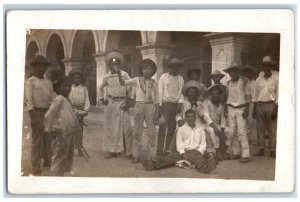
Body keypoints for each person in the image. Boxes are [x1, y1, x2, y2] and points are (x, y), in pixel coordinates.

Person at [141, 109, 216, 174]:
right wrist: (183, 153)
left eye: (192, 116)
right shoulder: (181, 128)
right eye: (189, 117)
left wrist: (199, 152)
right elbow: (179, 143)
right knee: (170, 158)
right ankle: (152, 165)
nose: (191, 118)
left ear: (195, 117)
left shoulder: (200, 129)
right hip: (183, 152)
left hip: (195, 152)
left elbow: (203, 144)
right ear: (186, 118)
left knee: (200, 160)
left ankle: (205, 169)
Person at [116, 59, 159, 163]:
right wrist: (118, 73)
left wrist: (157, 111)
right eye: (145, 68)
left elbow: (157, 98)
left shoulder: (154, 82)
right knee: (137, 131)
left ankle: (152, 156)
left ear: (152, 71)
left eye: (149, 69)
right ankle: (136, 155)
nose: (147, 71)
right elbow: (123, 83)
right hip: (139, 105)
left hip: (150, 106)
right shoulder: (136, 80)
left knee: (152, 132)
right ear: (141, 70)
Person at [166, 81, 216, 156]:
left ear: (196, 94)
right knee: (178, 131)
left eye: (194, 92)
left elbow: (203, 114)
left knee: (205, 131)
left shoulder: (199, 103)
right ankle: (171, 151)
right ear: (187, 93)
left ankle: (210, 152)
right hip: (185, 121)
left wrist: (197, 107)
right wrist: (179, 120)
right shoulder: (183, 103)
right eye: (190, 92)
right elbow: (178, 114)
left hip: (197, 122)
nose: (192, 93)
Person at [98, 51, 133, 158]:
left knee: (127, 128)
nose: (114, 66)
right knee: (111, 128)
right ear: (109, 65)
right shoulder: (107, 77)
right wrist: (102, 99)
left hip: (122, 103)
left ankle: (130, 152)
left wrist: (128, 101)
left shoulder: (124, 75)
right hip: (111, 104)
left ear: (119, 64)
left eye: (116, 64)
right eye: (112, 64)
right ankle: (112, 150)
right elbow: (100, 88)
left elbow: (132, 87)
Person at [44, 76, 81, 176]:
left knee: (65, 156)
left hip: (68, 133)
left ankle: (60, 175)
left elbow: (69, 115)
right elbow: (48, 115)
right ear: (58, 87)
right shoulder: (59, 99)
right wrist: (50, 129)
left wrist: (75, 127)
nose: (67, 88)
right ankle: (55, 177)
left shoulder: (67, 100)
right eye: (64, 86)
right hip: (60, 134)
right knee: (58, 157)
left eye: (69, 86)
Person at [25, 55, 54, 174]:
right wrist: (33, 115)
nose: (41, 68)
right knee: (37, 140)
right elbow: (29, 100)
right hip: (36, 112)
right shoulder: (30, 81)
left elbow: (51, 99)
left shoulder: (48, 82)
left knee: (48, 138)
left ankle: (48, 160)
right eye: (39, 66)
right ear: (35, 68)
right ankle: (36, 165)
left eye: (43, 66)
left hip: (48, 112)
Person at [223, 63, 251, 163]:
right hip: (230, 108)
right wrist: (226, 108)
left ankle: (246, 154)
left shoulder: (244, 81)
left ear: (237, 71)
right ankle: (236, 152)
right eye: (230, 72)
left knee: (242, 132)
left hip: (241, 109)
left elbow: (248, 96)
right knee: (232, 131)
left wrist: (247, 109)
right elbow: (226, 97)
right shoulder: (228, 83)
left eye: (234, 71)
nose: (232, 73)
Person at [252, 56, 279, 158]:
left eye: (268, 66)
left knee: (272, 129)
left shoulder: (276, 79)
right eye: (264, 66)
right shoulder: (258, 80)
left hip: (271, 105)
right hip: (260, 105)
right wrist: (254, 109)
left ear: (270, 67)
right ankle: (261, 149)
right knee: (260, 128)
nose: (266, 68)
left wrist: (276, 108)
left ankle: (272, 150)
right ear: (262, 68)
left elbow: (278, 94)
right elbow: (255, 95)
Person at [157, 58, 185, 156]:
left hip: (176, 105)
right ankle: (159, 150)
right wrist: (159, 106)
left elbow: (182, 92)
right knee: (163, 128)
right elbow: (160, 91)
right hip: (165, 104)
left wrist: (180, 103)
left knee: (172, 128)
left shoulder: (180, 78)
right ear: (169, 67)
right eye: (172, 66)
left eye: (176, 66)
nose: (174, 68)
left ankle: (167, 150)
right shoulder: (163, 77)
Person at [203, 84, 230, 160]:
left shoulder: (221, 105)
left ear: (220, 95)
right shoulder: (206, 103)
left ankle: (224, 150)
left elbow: (223, 118)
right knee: (212, 131)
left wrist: (222, 128)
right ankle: (217, 151)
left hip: (217, 124)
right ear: (211, 94)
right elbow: (206, 116)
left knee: (230, 131)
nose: (216, 96)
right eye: (214, 94)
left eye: (217, 94)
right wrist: (214, 127)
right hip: (207, 125)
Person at [68, 69, 90, 156]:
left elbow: (87, 100)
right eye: (75, 78)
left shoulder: (84, 89)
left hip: (81, 111)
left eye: (78, 78)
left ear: (81, 79)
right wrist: (73, 110)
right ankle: (71, 149)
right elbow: (69, 100)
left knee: (80, 131)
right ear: (72, 79)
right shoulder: (70, 88)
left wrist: (85, 110)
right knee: (71, 131)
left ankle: (80, 150)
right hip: (72, 110)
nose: (77, 80)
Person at [240, 65, 258, 144]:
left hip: (252, 103)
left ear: (252, 73)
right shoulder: (243, 82)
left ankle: (251, 138)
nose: (248, 74)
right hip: (244, 103)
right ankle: (245, 138)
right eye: (246, 72)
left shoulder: (255, 82)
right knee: (244, 121)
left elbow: (256, 94)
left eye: (249, 72)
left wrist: (255, 104)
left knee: (251, 121)